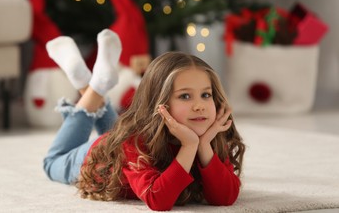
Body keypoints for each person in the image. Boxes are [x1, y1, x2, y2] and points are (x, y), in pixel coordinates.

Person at [43, 29, 245, 211]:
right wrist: (189, 146)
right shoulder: (134, 143)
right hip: (100, 156)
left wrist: (203, 146)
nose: (199, 105)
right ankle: (93, 87)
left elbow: (225, 198)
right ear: (159, 103)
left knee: (119, 131)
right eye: (185, 96)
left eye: (206, 95)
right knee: (52, 163)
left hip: (121, 141)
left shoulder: (208, 137)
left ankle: (94, 83)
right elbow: (158, 201)